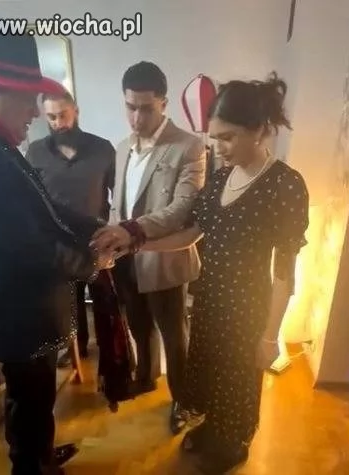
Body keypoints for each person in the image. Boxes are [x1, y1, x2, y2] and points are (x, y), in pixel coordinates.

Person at [0, 16, 114, 475]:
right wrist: (92, 261)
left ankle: (38, 455)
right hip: (16, 312)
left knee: (32, 400)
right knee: (31, 400)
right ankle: (32, 464)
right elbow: (22, 246)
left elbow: (42, 207)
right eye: (27, 97)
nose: (35, 109)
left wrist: (96, 228)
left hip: (20, 309)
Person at [133, 72, 310, 473]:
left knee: (237, 382)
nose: (218, 147)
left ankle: (232, 446)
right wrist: (140, 245)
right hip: (210, 299)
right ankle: (213, 429)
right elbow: (192, 233)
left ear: (259, 129)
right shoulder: (219, 179)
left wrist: (270, 335)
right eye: (214, 138)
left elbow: (284, 271)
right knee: (211, 374)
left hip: (247, 308)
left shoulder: (284, 185)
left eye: (228, 138)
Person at [92, 61, 206, 434]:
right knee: (138, 325)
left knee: (175, 336)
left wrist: (130, 230)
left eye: (146, 108)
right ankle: (145, 377)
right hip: (126, 260)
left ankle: (183, 400)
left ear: (164, 104)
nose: (137, 118)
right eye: (130, 107)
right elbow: (118, 204)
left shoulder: (189, 146)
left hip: (165, 258)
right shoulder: (122, 147)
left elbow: (182, 209)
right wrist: (111, 240)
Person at [26, 91, 116, 366]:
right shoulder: (35, 152)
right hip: (59, 243)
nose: (58, 123)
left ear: (76, 110)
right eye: (51, 117)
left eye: (63, 115)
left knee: (104, 300)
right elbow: (31, 198)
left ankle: (110, 353)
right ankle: (77, 348)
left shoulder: (103, 148)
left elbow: (118, 193)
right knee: (69, 301)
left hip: (99, 239)